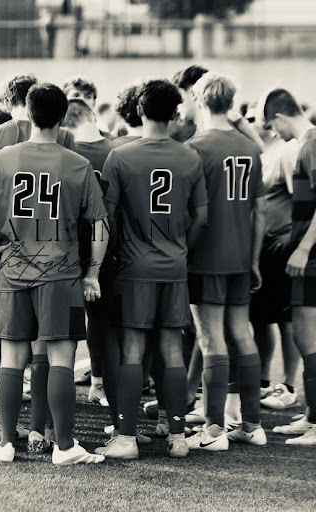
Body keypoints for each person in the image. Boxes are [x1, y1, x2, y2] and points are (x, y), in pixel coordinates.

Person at [0, 83, 108, 465]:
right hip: (61, 274)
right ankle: (64, 447)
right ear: (62, 117)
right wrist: (92, 273)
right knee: (60, 359)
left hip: (12, 271)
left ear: (27, 112)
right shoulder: (77, 164)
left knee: (11, 358)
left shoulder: (2, 158)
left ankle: (6, 443)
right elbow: (100, 225)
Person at [95, 80, 208, 459]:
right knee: (172, 348)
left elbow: (107, 218)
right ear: (175, 113)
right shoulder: (190, 157)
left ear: (139, 111)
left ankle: (127, 438)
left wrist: (115, 255)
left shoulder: (121, 156)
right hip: (174, 266)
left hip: (133, 266)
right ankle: (178, 437)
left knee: (132, 349)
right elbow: (201, 217)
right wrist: (182, 250)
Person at [0, 74, 75, 451]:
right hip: (52, 255)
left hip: (3, 253)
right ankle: (40, 431)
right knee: (45, 345)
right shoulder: (65, 138)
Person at [185, 72, 268, 451]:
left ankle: (214, 428)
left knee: (211, 339)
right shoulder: (250, 147)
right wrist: (254, 259)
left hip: (206, 255)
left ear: (200, 100)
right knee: (242, 334)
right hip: (240, 255)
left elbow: (193, 212)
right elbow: (260, 211)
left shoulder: (196, 147)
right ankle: (252, 424)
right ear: (231, 103)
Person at [261, 88, 316, 445]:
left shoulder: (311, 143)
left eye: (271, 125)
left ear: (280, 117)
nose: (272, 132)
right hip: (307, 254)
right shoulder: (307, 144)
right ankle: (312, 415)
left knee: (307, 338)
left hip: (312, 256)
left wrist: (304, 248)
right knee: (302, 335)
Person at [246, 102, 301, 409]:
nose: (252, 123)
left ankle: (289, 385)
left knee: (286, 319)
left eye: (254, 119)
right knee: (260, 318)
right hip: (262, 248)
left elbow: (301, 200)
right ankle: (264, 380)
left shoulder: (286, 152)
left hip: (281, 246)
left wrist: (293, 242)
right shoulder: (262, 156)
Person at [63, 98, 115, 410]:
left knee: (64, 322)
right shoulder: (117, 150)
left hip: (66, 245)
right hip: (107, 246)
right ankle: (99, 383)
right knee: (102, 320)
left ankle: (59, 387)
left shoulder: (65, 151)